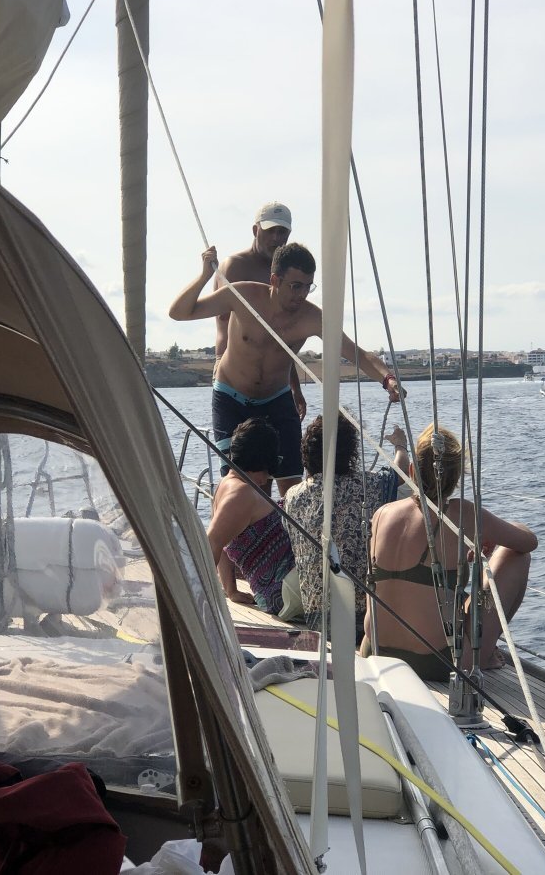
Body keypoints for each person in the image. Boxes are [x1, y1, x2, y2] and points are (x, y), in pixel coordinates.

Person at [169, 241, 402, 499]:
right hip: (231, 399)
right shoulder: (242, 295)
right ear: (275, 280)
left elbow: (357, 353)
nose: (302, 294)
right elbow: (179, 312)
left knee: (292, 485)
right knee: (241, 488)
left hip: (276, 401)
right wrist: (205, 275)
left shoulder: (312, 318)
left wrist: (388, 379)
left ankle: (288, 526)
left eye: (308, 287)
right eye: (295, 286)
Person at [363, 424, 537, 681]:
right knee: (516, 557)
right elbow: (528, 541)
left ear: (412, 471)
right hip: (437, 662)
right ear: (457, 478)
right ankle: (485, 654)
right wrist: (484, 535)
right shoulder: (462, 514)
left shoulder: (382, 513)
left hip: (377, 652)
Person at [283, 414, 408, 633]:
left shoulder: (292, 496)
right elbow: (400, 472)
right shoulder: (369, 485)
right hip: (363, 619)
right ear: (350, 452)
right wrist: (400, 446)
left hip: (317, 617)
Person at [213, 202, 306, 421]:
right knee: (242, 442)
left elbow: (280, 340)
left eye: (282, 231)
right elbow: (226, 325)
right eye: (270, 230)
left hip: (275, 387)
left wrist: (295, 387)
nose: (276, 237)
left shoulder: (285, 276)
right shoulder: (234, 266)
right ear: (256, 230)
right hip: (232, 381)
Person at [205, 418, 295, 614]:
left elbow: (221, 544)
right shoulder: (241, 494)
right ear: (261, 460)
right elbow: (212, 543)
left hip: (278, 588)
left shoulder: (225, 485)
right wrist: (202, 598)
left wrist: (231, 590)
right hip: (284, 592)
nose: (268, 477)